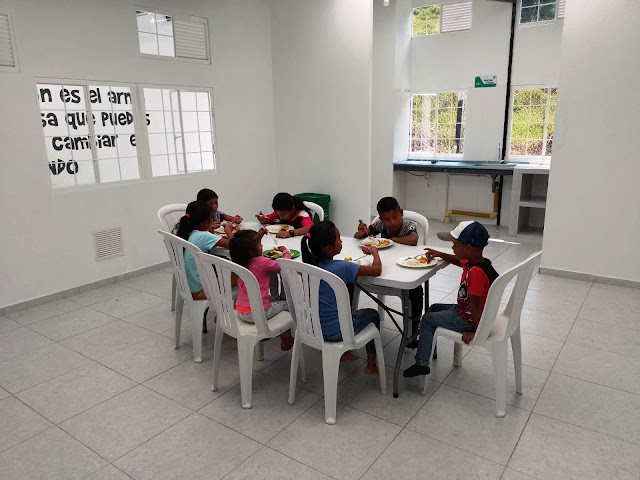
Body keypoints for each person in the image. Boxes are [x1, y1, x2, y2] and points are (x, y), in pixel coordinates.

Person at [403, 221, 499, 377]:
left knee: (427, 319)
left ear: (468, 248)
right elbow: (458, 261)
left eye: (455, 244)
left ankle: (421, 363)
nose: (452, 247)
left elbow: (475, 305)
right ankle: (424, 343)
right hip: (468, 312)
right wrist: (440, 254)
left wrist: (477, 331)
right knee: (434, 307)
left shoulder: (476, 273)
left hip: (468, 318)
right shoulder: (479, 263)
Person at [301, 221, 383, 375]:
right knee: (373, 315)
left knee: (338, 312)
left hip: (312, 328)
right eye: (339, 239)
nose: (342, 241)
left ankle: (344, 354)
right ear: (329, 248)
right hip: (336, 333)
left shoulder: (308, 264)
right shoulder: (343, 267)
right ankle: (371, 365)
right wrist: (375, 253)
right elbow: (376, 270)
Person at [354, 196, 423, 334]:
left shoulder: (408, 225)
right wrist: (362, 231)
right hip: (385, 268)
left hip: (404, 269)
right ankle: (351, 325)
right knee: (352, 279)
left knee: (416, 290)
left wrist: (391, 240)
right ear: (380, 218)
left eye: (395, 216)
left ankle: (413, 328)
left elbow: (413, 239)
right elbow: (359, 236)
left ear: (401, 213)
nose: (391, 222)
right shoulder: (380, 224)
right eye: (386, 219)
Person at [229, 230, 294, 351]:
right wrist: (286, 252)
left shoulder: (240, 262)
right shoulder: (262, 262)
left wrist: (259, 235)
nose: (262, 246)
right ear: (252, 251)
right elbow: (283, 265)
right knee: (286, 304)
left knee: (272, 299)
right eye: (259, 244)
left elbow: (247, 245)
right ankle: (286, 337)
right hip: (258, 314)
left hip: (241, 311)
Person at [174, 200, 234, 301]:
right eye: (212, 218)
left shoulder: (187, 232)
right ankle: (230, 308)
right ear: (206, 222)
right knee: (243, 275)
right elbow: (234, 245)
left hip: (189, 286)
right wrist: (228, 230)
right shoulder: (203, 236)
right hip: (201, 290)